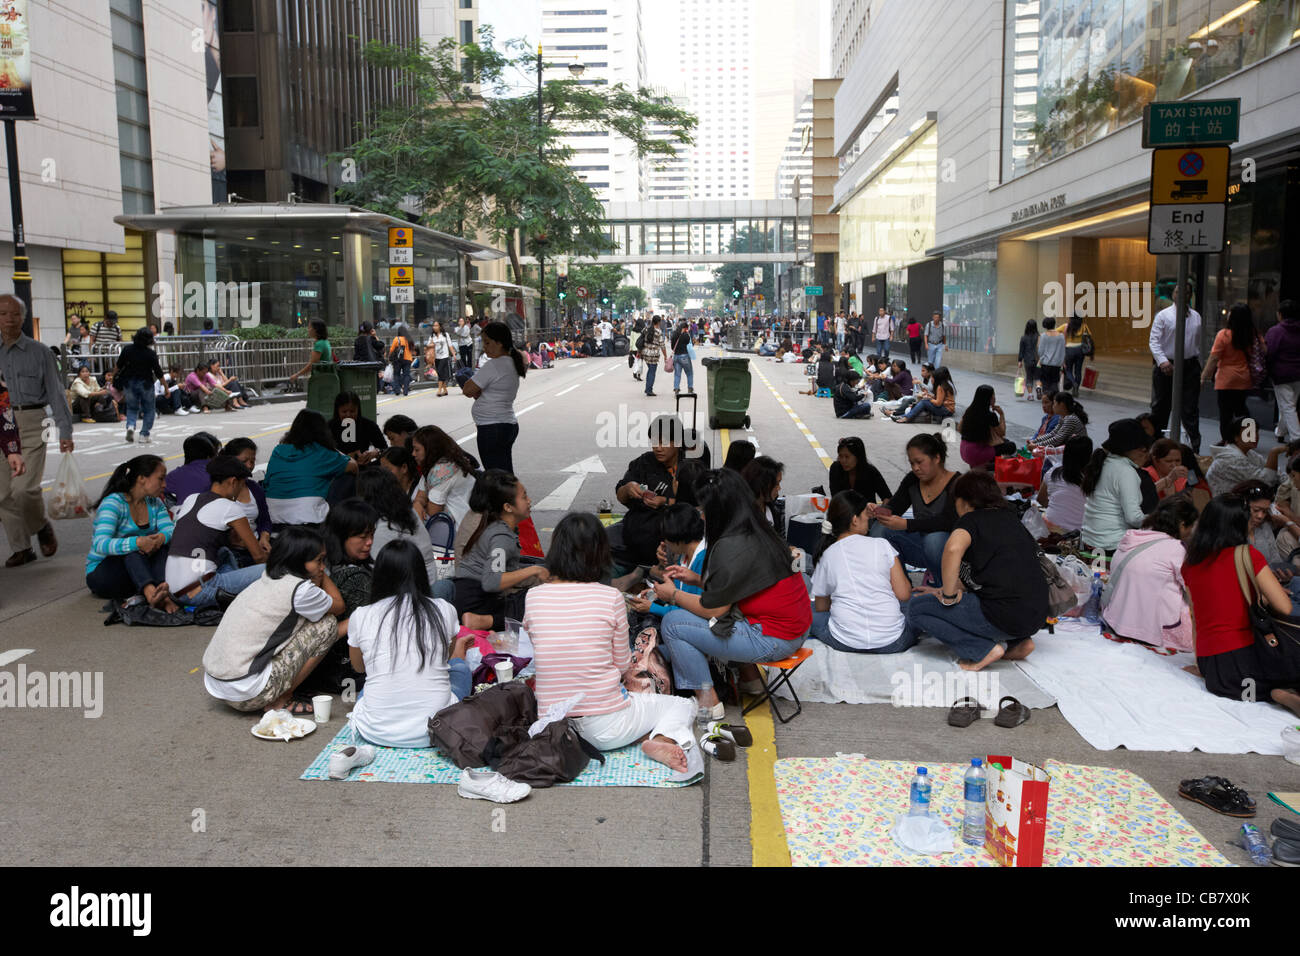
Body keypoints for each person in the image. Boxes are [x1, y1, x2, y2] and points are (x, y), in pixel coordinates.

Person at [525, 513, 698, 773]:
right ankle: (661, 739)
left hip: (552, 728)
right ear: (600, 553)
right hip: (605, 728)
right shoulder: (610, 597)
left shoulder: (534, 596)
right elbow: (620, 664)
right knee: (683, 704)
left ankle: (644, 732)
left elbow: (541, 647)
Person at [653, 468, 811, 724]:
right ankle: (752, 683)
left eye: (704, 509)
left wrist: (672, 595)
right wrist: (698, 580)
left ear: (718, 510)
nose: (701, 515)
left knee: (674, 625)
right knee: (713, 621)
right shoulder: (758, 529)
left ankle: (709, 703)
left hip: (772, 639)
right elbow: (741, 583)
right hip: (795, 628)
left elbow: (713, 610)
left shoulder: (731, 545)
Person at [907, 471, 1047, 671]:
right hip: (1035, 617)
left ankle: (981, 649)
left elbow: (953, 548)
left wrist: (947, 595)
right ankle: (1020, 643)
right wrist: (943, 590)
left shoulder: (970, 520)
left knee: (916, 609)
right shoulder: (1010, 519)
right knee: (1002, 600)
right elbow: (993, 576)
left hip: (1002, 615)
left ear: (964, 501)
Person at [202, 526, 345, 716]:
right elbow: (339, 606)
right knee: (327, 625)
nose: (322, 567)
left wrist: (314, 569)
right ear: (298, 561)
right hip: (248, 694)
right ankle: (282, 699)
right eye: (318, 560)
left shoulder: (269, 576)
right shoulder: (301, 590)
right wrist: (321, 575)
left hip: (218, 684)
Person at [346, 538, 472, 747]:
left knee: (367, 688)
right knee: (460, 668)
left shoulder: (361, 615)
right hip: (437, 729)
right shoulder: (443, 608)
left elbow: (359, 667)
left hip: (375, 731)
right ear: (420, 573)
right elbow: (446, 659)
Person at [1182, 495, 1300, 717]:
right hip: (1247, 659)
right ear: (1239, 524)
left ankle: (1280, 691)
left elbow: (1195, 617)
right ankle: (1282, 692)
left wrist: (1202, 665)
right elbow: (1284, 607)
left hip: (1217, 673)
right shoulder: (1248, 555)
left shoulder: (1190, 563)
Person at [0, 294, 75, 567]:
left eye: (14, 313)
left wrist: (65, 431)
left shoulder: (39, 351)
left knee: (24, 489)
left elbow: (56, 393)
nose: (9, 319)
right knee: (2, 494)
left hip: (34, 421)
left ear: (23, 317)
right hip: (1, 424)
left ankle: (40, 524)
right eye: (3, 313)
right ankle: (21, 547)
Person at [809, 490, 915, 653]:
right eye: (866, 516)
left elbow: (822, 607)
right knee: (917, 605)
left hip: (844, 641)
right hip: (894, 641)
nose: (868, 520)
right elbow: (904, 594)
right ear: (854, 520)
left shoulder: (827, 554)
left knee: (809, 611)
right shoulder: (882, 545)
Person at [164, 456, 267, 608]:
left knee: (224, 552)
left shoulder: (191, 499)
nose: (241, 490)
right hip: (202, 590)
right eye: (242, 484)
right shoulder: (231, 508)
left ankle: (234, 595)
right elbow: (258, 557)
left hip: (174, 592)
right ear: (233, 482)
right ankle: (239, 597)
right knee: (275, 570)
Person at [1099, 497, 1198, 651]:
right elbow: (1193, 587)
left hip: (1116, 620)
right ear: (1182, 524)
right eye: (1191, 527)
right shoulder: (1175, 548)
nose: (1191, 532)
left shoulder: (1132, 538)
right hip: (1152, 630)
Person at [454, 470, 549, 630]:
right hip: (475, 600)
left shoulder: (493, 525)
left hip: (466, 593)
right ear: (507, 507)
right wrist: (534, 570)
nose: (529, 500)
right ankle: (482, 621)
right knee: (537, 600)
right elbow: (492, 582)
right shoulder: (500, 535)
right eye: (524, 497)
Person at [85, 454, 178, 613]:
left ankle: (163, 592)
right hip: (104, 575)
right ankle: (151, 594)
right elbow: (100, 544)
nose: (164, 484)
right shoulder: (113, 503)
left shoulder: (155, 503)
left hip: (136, 575)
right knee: (132, 546)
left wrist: (160, 538)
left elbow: (169, 529)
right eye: (160, 479)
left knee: (161, 548)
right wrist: (138, 542)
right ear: (142, 478)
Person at [868, 433, 959, 577]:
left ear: (936, 458)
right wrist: (878, 511)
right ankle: (900, 586)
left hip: (950, 552)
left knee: (934, 539)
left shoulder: (957, 483)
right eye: (912, 463)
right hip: (919, 545)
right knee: (880, 529)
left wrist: (907, 524)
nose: (915, 468)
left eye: (919, 462)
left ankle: (945, 588)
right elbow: (895, 507)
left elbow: (949, 522)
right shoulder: (913, 479)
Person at [614, 415, 699, 567]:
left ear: (678, 442)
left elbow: (697, 509)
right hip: (633, 529)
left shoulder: (690, 468)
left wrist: (664, 502)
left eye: (664, 442)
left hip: (669, 540)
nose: (658, 448)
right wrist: (627, 489)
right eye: (654, 442)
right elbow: (620, 496)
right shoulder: (644, 462)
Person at [263, 409, 357, 525]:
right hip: (310, 519)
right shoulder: (322, 452)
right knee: (347, 477)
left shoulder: (278, 450)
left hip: (274, 515)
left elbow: (267, 483)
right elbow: (354, 467)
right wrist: (332, 449)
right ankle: (342, 525)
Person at [461, 321, 525, 475]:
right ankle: (512, 497)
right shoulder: (511, 362)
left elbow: (467, 389)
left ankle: (508, 498)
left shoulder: (494, 365)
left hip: (492, 427)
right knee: (504, 472)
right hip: (505, 424)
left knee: (496, 476)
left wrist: (477, 391)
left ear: (499, 343)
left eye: (488, 342)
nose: (485, 346)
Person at [1081, 418, 1152, 556]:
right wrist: (1157, 519)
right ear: (1131, 449)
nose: (1145, 454)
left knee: (1098, 576)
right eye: (1143, 449)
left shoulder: (1105, 462)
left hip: (1089, 541)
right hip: (1111, 545)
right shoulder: (1126, 471)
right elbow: (1133, 518)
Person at [1150, 283, 1203, 452]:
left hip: (1189, 365)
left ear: (1190, 295)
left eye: (1185, 292)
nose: (1180, 295)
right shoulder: (1163, 316)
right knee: (1161, 408)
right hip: (1167, 365)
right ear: (1173, 294)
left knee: (1190, 410)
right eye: (1177, 291)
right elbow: (1154, 341)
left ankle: (1194, 449)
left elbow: (1196, 342)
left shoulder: (1196, 316)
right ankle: (1156, 446)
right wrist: (1162, 361)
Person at [1201, 303, 1262, 447]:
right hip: (1244, 378)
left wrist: (1203, 377)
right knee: (1242, 409)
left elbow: (1214, 358)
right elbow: (1263, 350)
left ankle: (1228, 440)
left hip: (1226, 379)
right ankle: (1249, 437)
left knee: (1226, 413)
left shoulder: (1224, 335)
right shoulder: (1253, 335)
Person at [411, 424, 477, 550]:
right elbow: (419, 497)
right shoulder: (441, 464)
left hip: (459, 535)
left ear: (430, 449)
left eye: (417, 449)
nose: (413, 454)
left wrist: (419, 505)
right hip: (464, 527)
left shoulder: (441, 472)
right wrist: (419, 504)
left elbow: (433, 513)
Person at [221, 437, 273, 563]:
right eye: (244, 461)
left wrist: (264, 538)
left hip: (256, 545)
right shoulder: (219, 490)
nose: (249, 465)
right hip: (232, 551)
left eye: (252, 461)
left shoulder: (255, 488)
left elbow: (265, 520)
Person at [1205, 417, 1285, 497]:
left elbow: (1274, 471)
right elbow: (1267, 481)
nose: (1255, 436)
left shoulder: (1249, 453)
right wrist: (1274, 453)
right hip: (1226, 503)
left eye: (1256, 432)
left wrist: (1289, 483)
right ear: (1236, 437)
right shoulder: (1232, 458)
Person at [114, 328, 167, 443]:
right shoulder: (150, 354)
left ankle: (131, 426)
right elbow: (158, 372)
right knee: (149, 409)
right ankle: (144, 434)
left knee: (132, 408)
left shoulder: (127, 350)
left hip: (129, 383)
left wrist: (113, 378)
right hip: (146, 384)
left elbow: (118, 366)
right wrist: (166, 388)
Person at [1036, 435, 1093, 533]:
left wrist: (1058, 508)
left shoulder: (1053, 471)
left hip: (1049, 526)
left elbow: (1040, 499)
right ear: (1088, 456)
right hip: (1077, 533)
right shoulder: (1091, 477)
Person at [1266, 300, 1300, 443]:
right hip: (1298, 374)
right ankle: (1280, 431)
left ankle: (1296, 438)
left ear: (1280, 314)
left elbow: (1270, 352)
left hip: (1281, 374)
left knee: (1287, 406)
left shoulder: (1276, 331)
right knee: (1288, 404)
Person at [958, 384, 1015, 470]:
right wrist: (1002, 415)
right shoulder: (990, 415)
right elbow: (1002, 432)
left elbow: (959, 428)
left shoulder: (969, 410)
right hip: (976, 454)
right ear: (988, 399)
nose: (995, 398)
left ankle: (981, 463)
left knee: (1005, 442)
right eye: (993, 396)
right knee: (1011, 446)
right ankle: (986, 465)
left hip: (963, 451)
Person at [329, 391, 387, 464]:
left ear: (358, 410)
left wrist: (375, 452)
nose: (348, 415)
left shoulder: (368, 425)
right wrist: (345, 457)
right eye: (344, 412)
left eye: (352, 411)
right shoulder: (329, 427)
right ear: (337, 411)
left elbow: (385, 449)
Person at [828, 436, 891, 503]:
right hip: (843, 511)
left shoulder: (871, 472)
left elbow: (887, 496)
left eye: (847, 457)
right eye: (840, 456)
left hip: (867, 512)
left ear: (858, 457)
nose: (843, 460)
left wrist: (883, 509)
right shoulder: (835, 469)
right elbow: (835, 497)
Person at [165, 432, 221, 505]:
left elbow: (159, 490)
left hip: (183, 514)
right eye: (216, 453)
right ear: (210, 454)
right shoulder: (218, 472)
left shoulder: (174, 475)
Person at [741, 455, 784, 532]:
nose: (779, 488)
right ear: (762, 484)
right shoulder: (742, 518)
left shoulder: (773, 510)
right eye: (776, 484)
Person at [1062, 313, 1092, 395]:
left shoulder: (1067, 326)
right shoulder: (1084, 326)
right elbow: (1089, 336)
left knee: (1068, 370)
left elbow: (1056, 331)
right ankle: (1076, 389)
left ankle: (1073, 382)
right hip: (1080, 350)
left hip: (1069, 350)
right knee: (1078, 371)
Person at [1036, 316, 1065, 396]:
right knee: (1054, 382)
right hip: (1057, 364)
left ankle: (1047, 397)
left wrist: (1041, 359)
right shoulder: (1061, 336)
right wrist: (1062, 362)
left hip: (1045, 363)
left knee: (1045, 383)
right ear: (1054, 324)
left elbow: (1040, 351)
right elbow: (1063, 351)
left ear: (1045, 325)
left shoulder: (1043, 336)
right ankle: (1054, 398)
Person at [427, 321, 455, 397]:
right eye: (434, 326)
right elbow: (428, 345)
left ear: (440, 326)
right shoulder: (432, 336)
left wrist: (454, 355)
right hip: (436, 357)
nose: (434, 327)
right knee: (440, 373)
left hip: (444, 356)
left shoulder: (445, 335)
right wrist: (431, 343)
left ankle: (439, 390)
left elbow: (450, 345)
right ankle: (445, 390)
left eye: (436, 325)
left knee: (440, 371)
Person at [640, 316, 663, 397]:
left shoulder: (645, 329)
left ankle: (648, 388)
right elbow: (662, 344)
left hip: (645, 353)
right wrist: (666, 355)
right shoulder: (658, 332)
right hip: (653, 355)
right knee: (652, 372)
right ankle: (649, 390)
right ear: (658, 322)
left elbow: (641, 339)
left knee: (650, 370)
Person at [1017, 320, 1039, 401]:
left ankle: (1030, 395)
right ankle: (1039, 388)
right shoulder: (1039, 337)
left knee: (1029, 377)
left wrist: (1020, 361)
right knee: (1038, 377)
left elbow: (1021, 350)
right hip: (1038, 360)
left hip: (1028, 360)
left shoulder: (1023, 338)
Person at [671, 321, 695, 395]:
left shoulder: (674, 334)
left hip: (676, 357)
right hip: (684, 356)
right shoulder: (685, 335)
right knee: (689, 373)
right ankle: (690, 389)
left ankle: (676, 389)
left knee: (677, 374)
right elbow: (689, 343)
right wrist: (687, 333)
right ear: (685, 328)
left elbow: (672, 347)